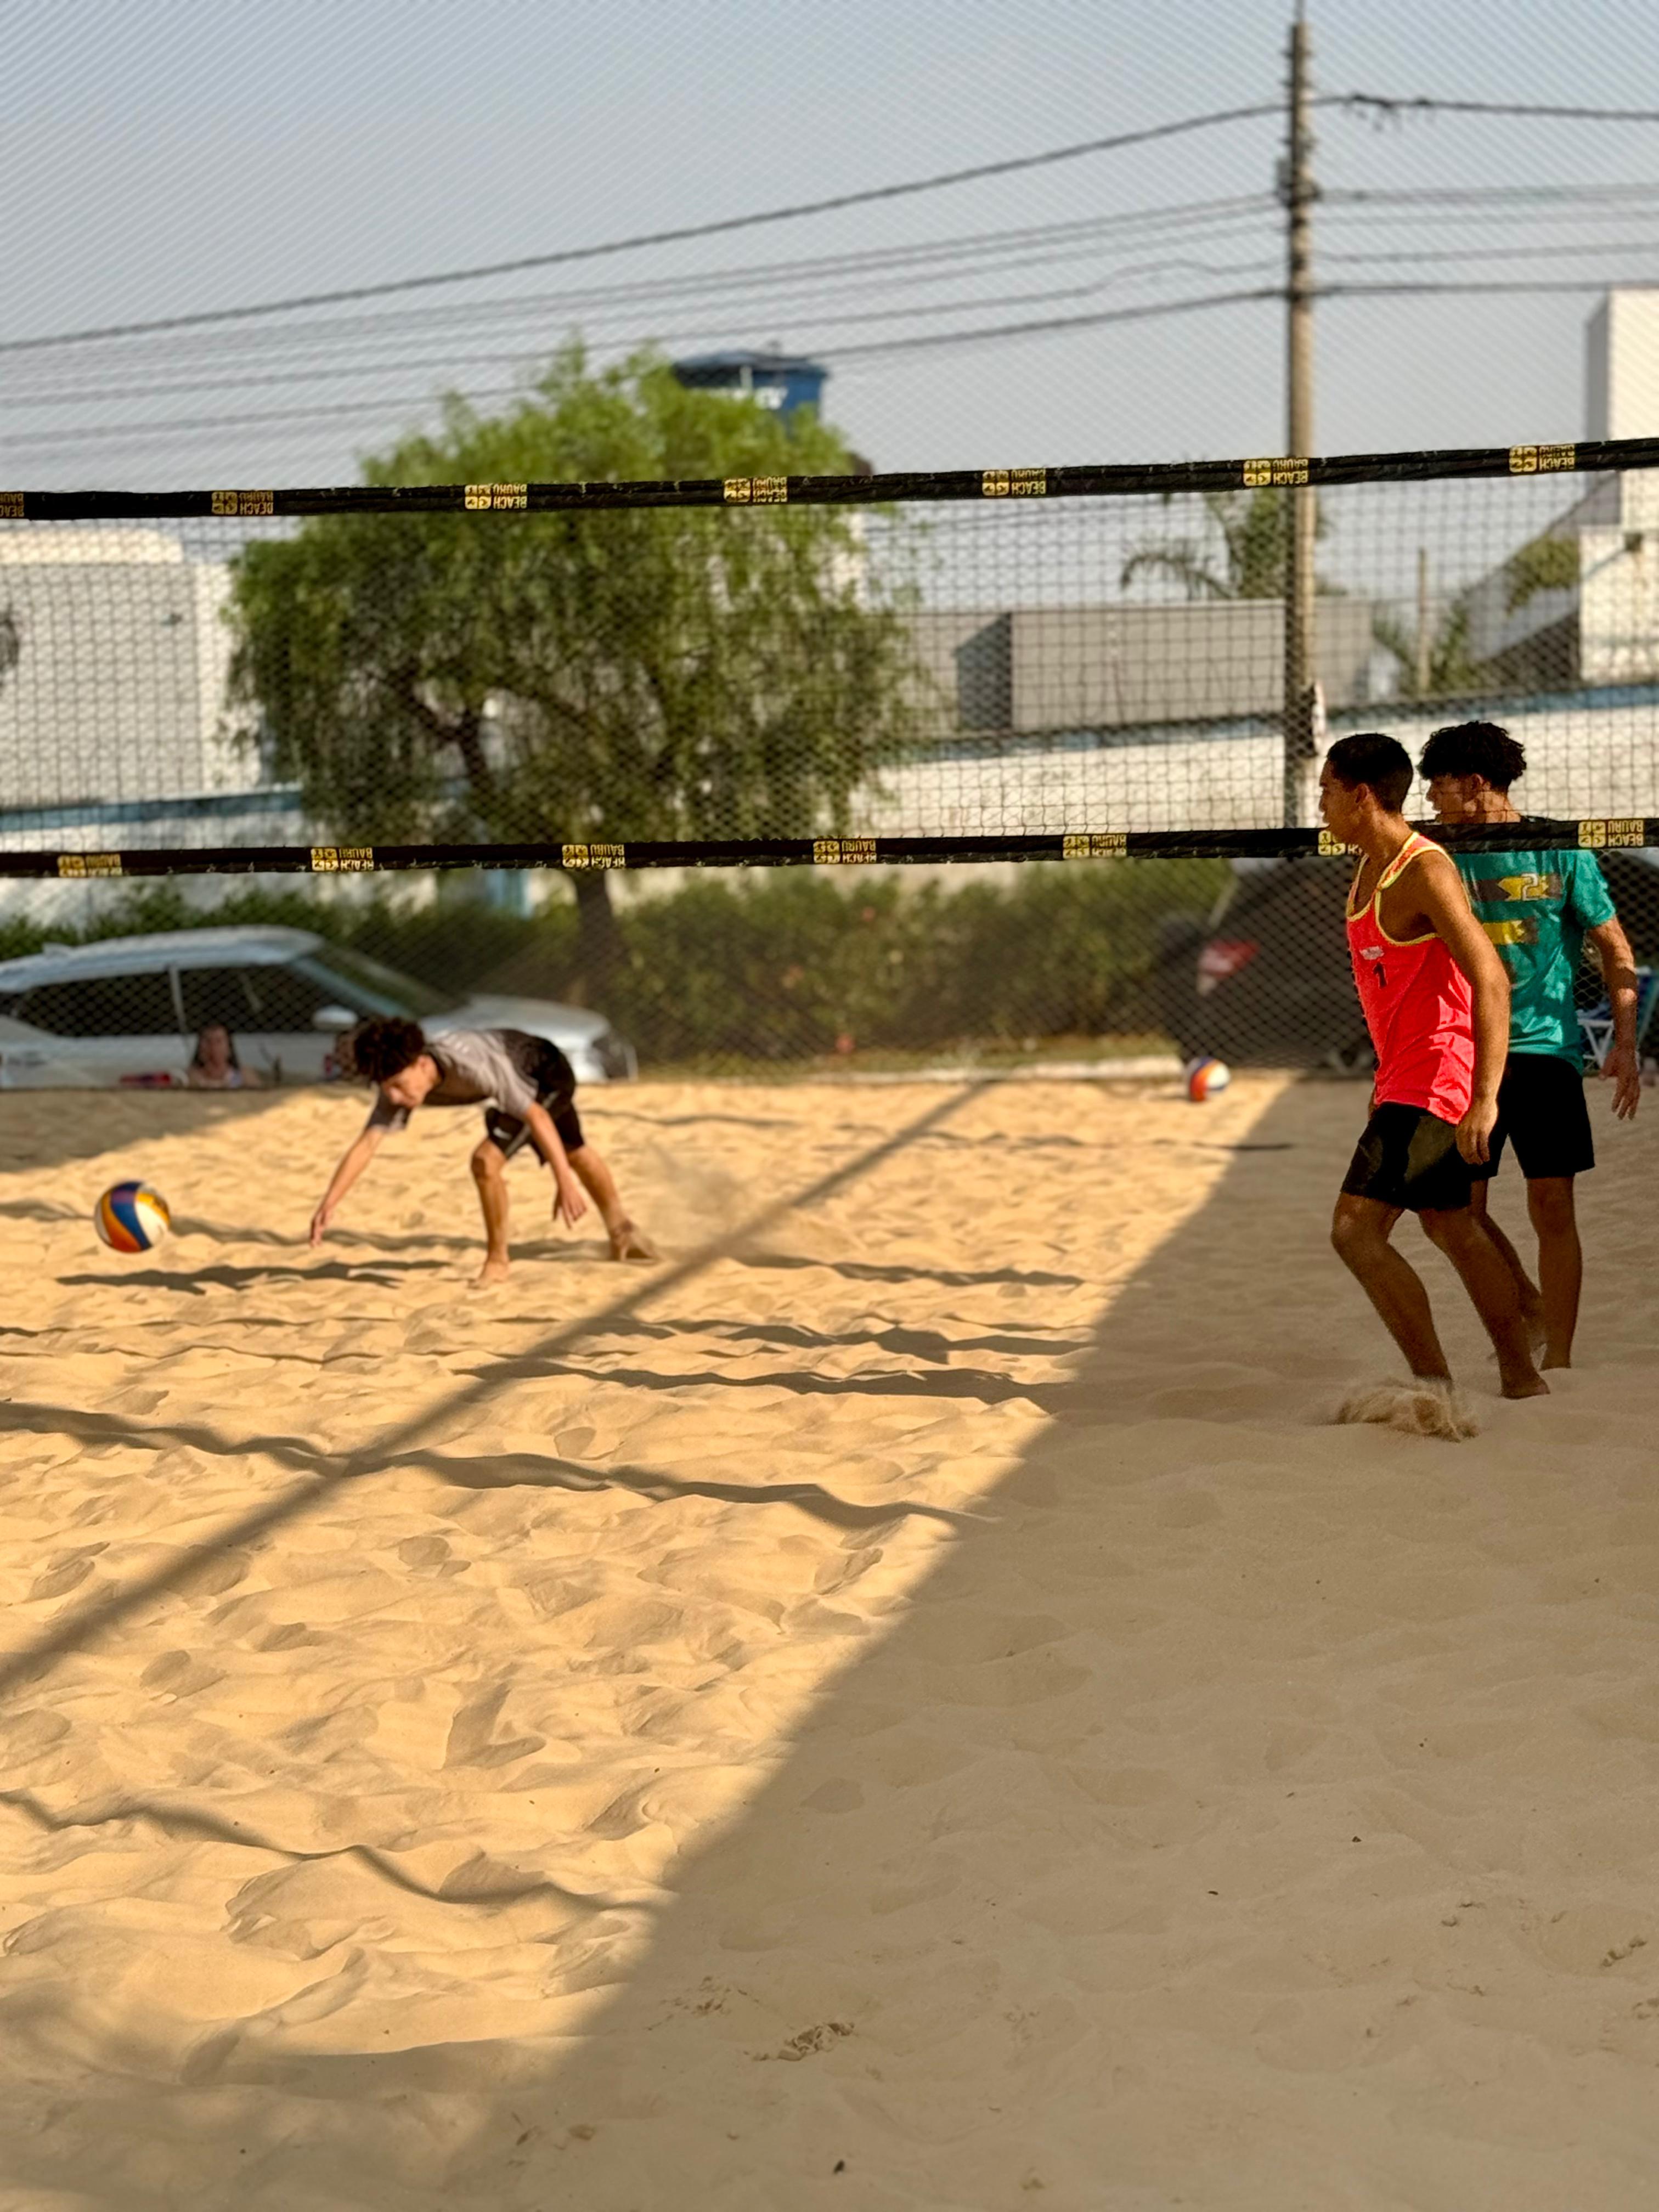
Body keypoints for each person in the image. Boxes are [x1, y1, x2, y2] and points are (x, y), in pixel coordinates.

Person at [1320, 732, 1546, 1424]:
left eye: (1326, 791)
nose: (1320, 805)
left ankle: (1435, 1388)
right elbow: (1400, 993)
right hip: (1407, 1078)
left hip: (1440, 1078)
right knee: (1452, 1226)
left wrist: (1484, 1098)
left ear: (1362, 796)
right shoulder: (1365, 872)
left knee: (1356, 1232)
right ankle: (1519, 1370)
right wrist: (1386, 1081)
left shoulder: (1424, 869)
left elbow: (1492, 980)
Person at [1421, 719, 1641, 1368]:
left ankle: (1561, 1359)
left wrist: (1624, 1043)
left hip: (1545, 1049)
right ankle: (1531, 1305)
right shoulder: (1434, 853)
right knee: (1458, 1213)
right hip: (1463, 1052)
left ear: (1476, 782)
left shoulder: (1563, 848)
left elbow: (1615, 949)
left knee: (1551, 1201)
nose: (1430, 801)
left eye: (1437, 788)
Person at [309, 1017, 654, 1287]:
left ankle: (497, 1263)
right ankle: (623, 1232)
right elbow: (368, 1142)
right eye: (389, 1090)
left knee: (486, 1160)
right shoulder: (401, 1079)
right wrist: (330, 1201)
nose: (396, 1098)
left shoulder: (472, 1065)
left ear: (423, 1065)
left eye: (399, 1086)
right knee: (574, 1152)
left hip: (546, 1072)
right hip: (525, 1080)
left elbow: (535, 1114)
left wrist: (563, 1181)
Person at [186, 1023, 264, 1090]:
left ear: (229, 1047)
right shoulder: (191, 1078)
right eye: (208, 1041)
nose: (213, 1046)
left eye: (219, 1041)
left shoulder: (241, 1076)